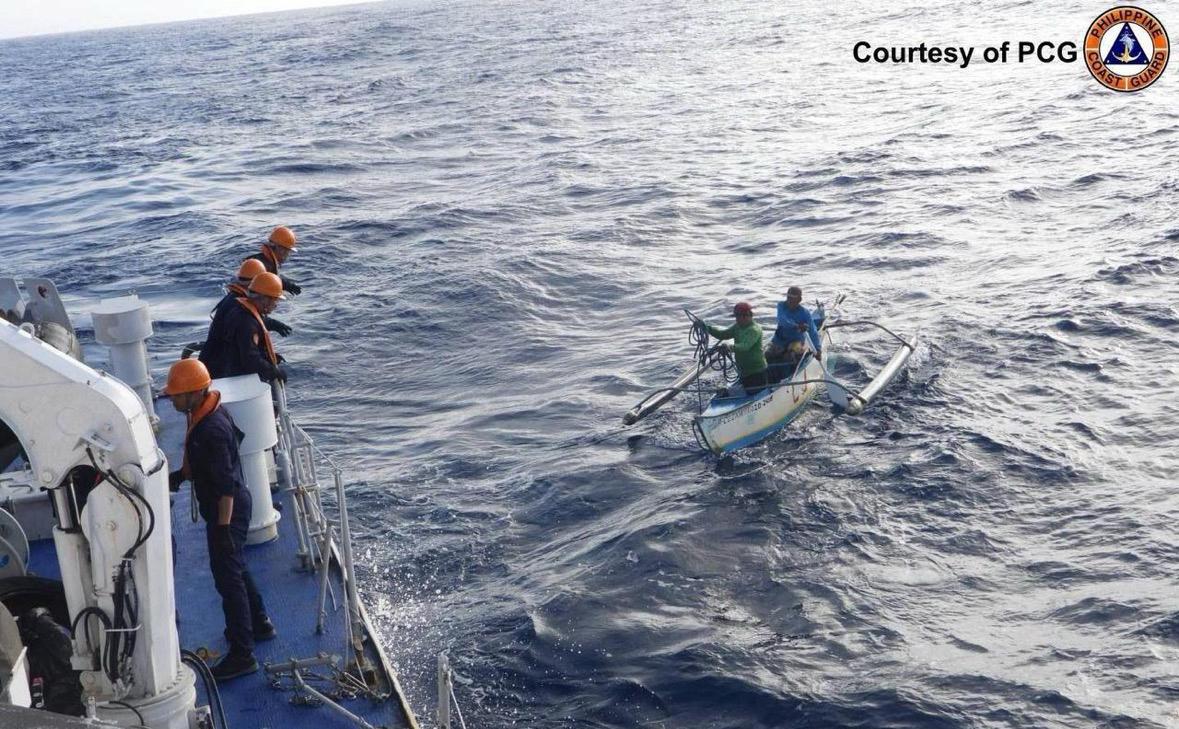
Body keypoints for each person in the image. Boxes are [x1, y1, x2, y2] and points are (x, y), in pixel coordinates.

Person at [163, 358, 275, 681]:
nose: (172, 400)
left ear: (195, 394)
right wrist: (180, 477)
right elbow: (204, 460)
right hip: (231, 504)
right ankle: (260, 623)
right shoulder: (206, 412)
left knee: (227, 579)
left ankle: (243, 653)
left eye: (177, 395)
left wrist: (223, 528)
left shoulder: (211, 429)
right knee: (237, 567)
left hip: (228, 508)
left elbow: (225, 485)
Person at [199, 272, 289, 383]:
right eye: (275, 300)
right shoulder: (247, 323)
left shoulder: (240, 311)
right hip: (230, 378)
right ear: (265, 299)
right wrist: (273, 371)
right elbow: (250, 359)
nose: (276, 305)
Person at [215, 259, 292, 338]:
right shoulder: (236, 304)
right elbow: (246, 323)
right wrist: (271, 323)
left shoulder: (234, 297)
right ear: (254, 282)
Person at [705, 302, 768, 396]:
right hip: (743, 372)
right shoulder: (737, 326)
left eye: (737, 316)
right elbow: (723, 334)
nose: (736, 319)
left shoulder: (754, 330)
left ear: (746, 316)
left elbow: (744, 346)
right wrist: (707, 328)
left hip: (757, 373)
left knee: (753, 393)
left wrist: (729, 347)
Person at [766, 286, 820, 381]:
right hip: (780, 340)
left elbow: (813, 331)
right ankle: (769, 377)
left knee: (789, 357)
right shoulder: (781, 306)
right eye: (788, 298)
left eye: (792, 299)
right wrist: (796, 326)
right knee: (768, 355)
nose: (789, 301)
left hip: (796, 341)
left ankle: (786, 379)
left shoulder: (805, 313)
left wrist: (818, 349)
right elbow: (782, 320)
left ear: (799, 299)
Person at [249, 226, 302, 295]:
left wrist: (288, 285)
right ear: (279, 248)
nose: (287, 255)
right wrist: (289, 286)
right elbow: (269, 280)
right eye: (287, 251)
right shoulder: (262, 265)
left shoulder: (263, 261)